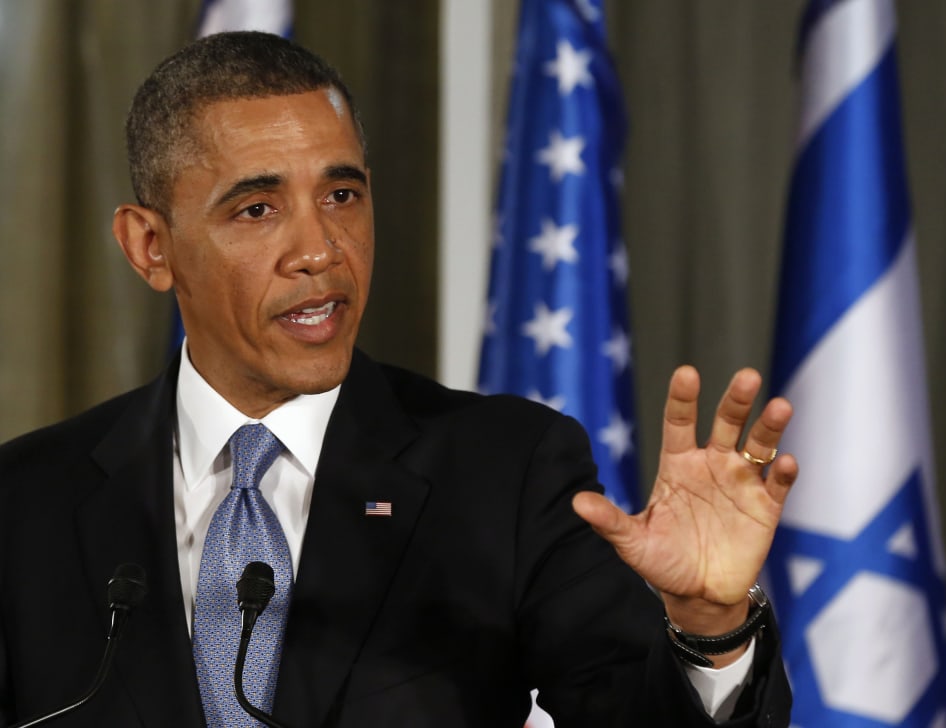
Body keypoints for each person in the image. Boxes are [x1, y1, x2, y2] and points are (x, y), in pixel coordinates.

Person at [0, 31, 796, 727]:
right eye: (257, 209)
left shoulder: (505, 471)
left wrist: (708, 625)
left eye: (342, 194)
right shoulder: (23, 504)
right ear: (150, 247)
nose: (320, 250)